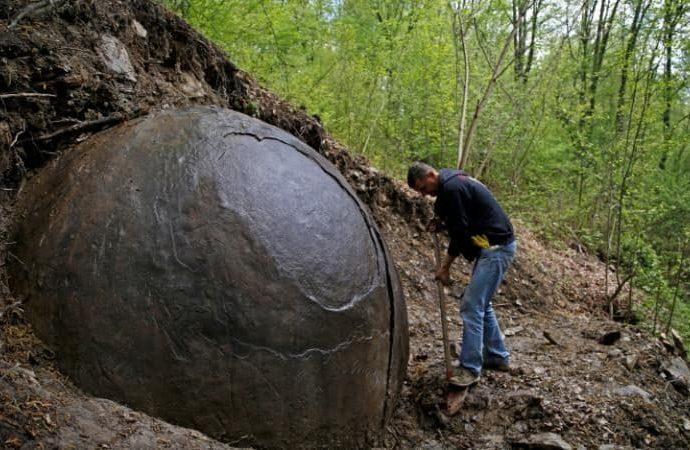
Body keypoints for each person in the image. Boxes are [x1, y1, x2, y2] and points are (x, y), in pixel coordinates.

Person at [407, 161, 516, 387]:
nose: (425, 195)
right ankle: (497, 356)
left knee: (471, 305)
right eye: (420, 193)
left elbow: (459, 232)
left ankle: (470, 368)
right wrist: (441, 222)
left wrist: (445, 267)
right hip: (493, 246)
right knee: (481, 304)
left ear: (430, 175)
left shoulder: (452, 188)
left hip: (496, 248)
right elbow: (459, 218)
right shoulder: (452, 184)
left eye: (423, 189)